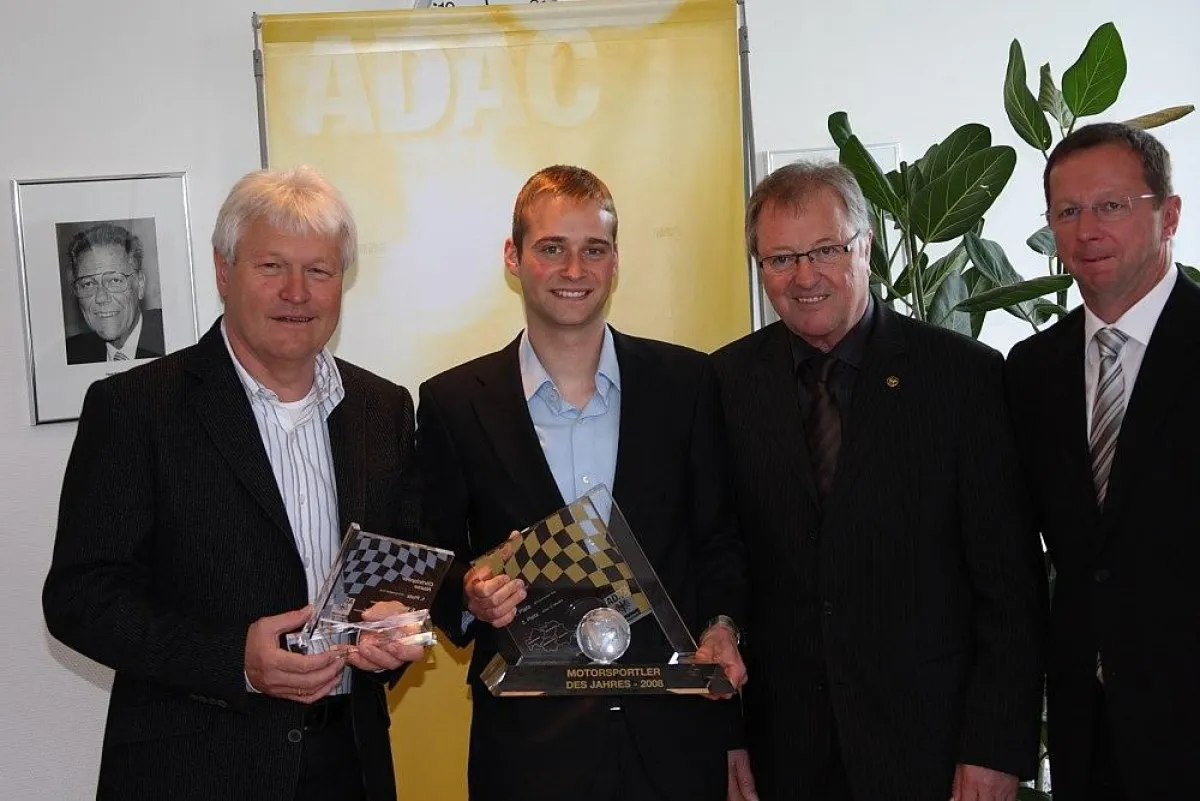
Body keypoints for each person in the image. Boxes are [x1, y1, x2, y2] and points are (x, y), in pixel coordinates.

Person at [43, 166, 423, 801]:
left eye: (319, 270)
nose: (296, 292)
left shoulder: (382, 408)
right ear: (225, 272)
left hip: (349, 764)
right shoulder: (136, 408)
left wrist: (394, 622)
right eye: (272, 266)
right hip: (194, 771)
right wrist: (234, 659)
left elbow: (400, 563)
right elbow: (80, 598)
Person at [711, 161, 1048, 801]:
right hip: (781, 755)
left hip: (933, 752)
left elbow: (1009, 585)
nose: (805, 277)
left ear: (865, 245)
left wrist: (994, 749)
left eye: (826, 250)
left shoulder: (962, 379)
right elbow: (718, 566)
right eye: (781, 258)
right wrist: (724, 734)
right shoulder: (726, 385)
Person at [418, 165, 749, 801]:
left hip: (675, 745)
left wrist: (723, 623)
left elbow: (721, 539)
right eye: (552, 248)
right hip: (528, 752)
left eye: (593, 249)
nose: (575, 270)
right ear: (513, 258)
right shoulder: (454, 404)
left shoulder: (687, 385)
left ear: (615, 260)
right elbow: (432, 561)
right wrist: (469, 593)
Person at [1006, 122, 1196, 801]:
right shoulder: (1032, 371)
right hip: (1089, 736)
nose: (1087, 229)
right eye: (1067, 210)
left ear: (1168, 214)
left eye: (1112, 205)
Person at [63, 221, 165, 364]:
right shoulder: (70, 354)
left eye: (114, 281)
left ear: (140, 284)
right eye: (88, 284)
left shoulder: (173, 337)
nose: (101, 297)